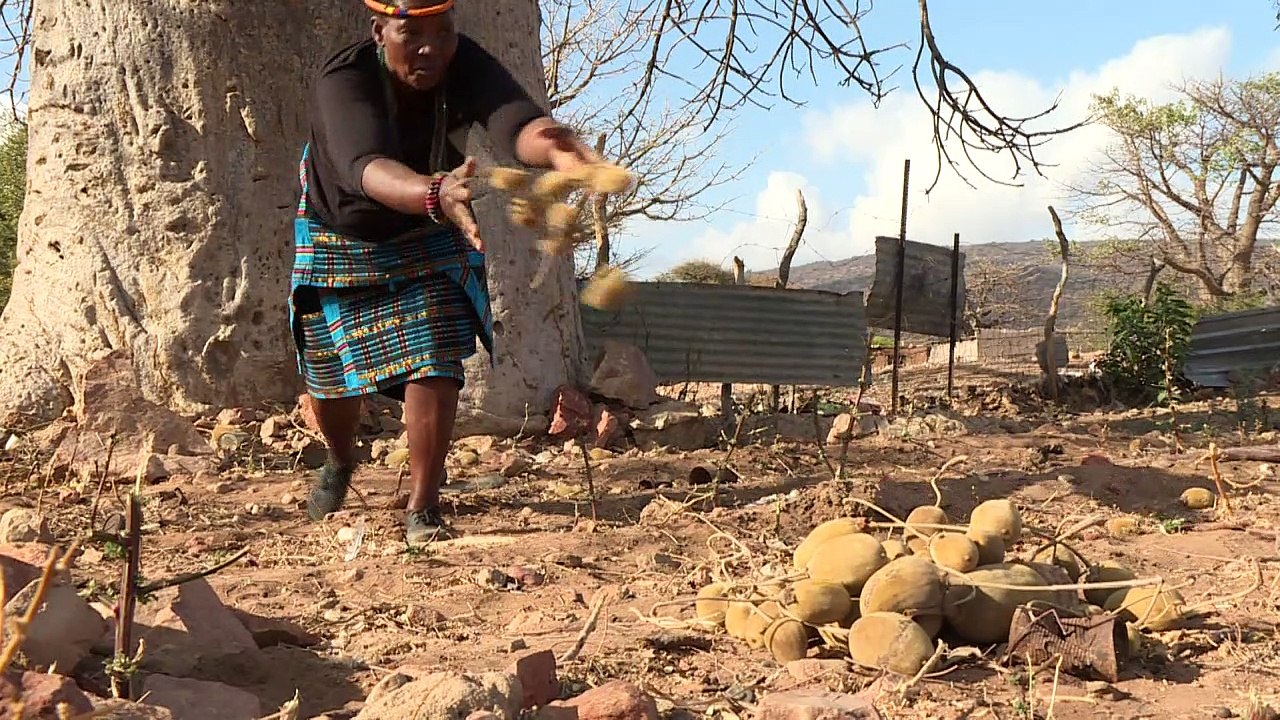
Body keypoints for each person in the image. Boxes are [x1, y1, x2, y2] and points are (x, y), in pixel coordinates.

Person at [291, 0, 604, 545]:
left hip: (434, 221)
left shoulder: (466, 63)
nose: (431, 47)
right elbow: (366, 167)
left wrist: (560, 149)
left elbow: (518, 122)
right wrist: (431, 191)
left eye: (444, 31)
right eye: (412, 34)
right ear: (379, 31)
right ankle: (341, 460)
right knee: (331, 375)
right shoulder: (344, 79)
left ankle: (423, 503)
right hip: (344, 231)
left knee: (436, 350)